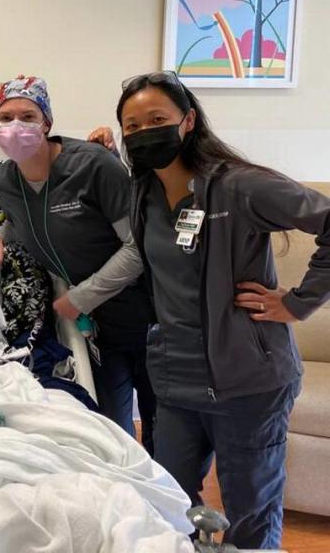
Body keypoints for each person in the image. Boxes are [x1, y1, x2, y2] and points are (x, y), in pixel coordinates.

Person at [110, 70, 330, 549]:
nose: (144, 131)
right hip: (174, 382)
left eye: (157, 119)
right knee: (169, 502)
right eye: (132, 125)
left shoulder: (239, 187)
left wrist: (298, 303)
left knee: (251, 515)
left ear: (187, 121)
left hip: (247, 382)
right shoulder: (143, 192)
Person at [0, 76, 157, 452]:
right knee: (112, 424)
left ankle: (182, 499)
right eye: (5, 117)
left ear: (47, 122)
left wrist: (82, 297)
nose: (15, 126)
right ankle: (125, 495)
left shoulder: (93, 166)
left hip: (143, 306)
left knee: (163, 420)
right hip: (93, 322)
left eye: (27, 115)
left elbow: (137, 248)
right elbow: (21, 214)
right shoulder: (3, 179)